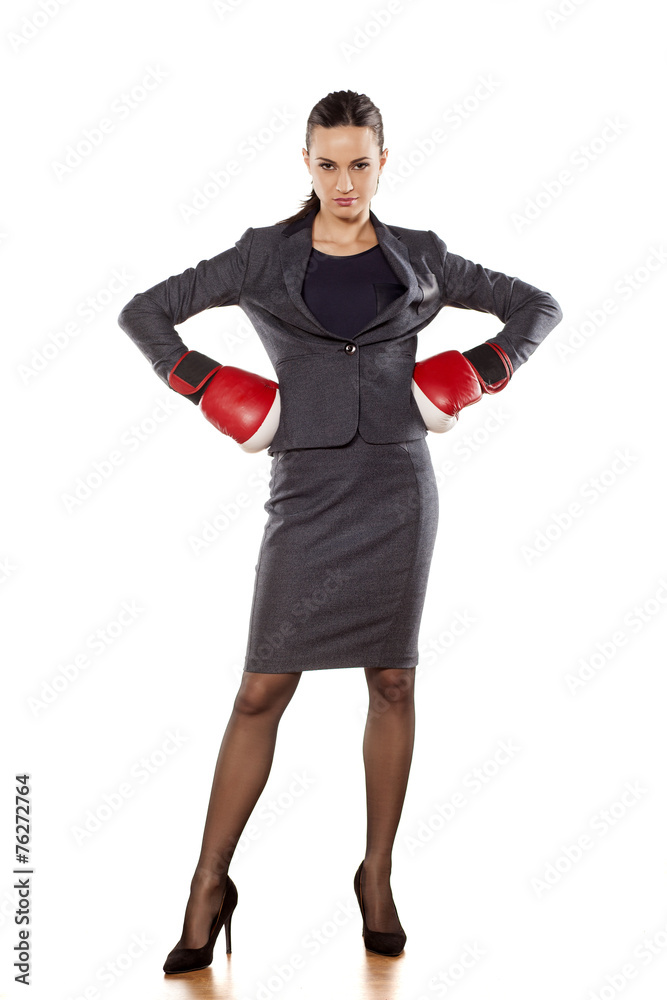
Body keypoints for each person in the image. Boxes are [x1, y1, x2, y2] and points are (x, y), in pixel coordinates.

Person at [117, 89, 563, 974]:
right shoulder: (260, 258)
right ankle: (208, 883)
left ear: (383, 162)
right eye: (328, 164)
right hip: (307, 488)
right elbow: (144, 312)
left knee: (391, 679)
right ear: (307, 164)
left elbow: (537, 305)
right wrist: (207, 384)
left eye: (360, 162)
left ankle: (377, 876)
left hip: (397, 486)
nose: (344, 181)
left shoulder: (423, 260)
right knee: (260, 690)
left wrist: (479, 368)